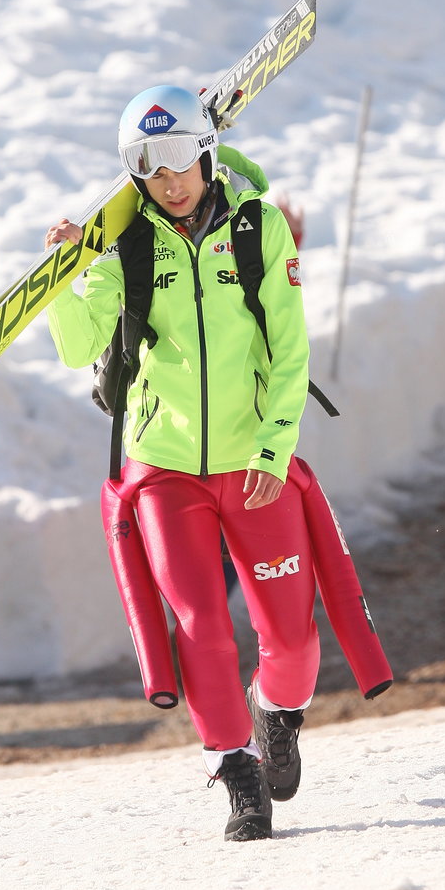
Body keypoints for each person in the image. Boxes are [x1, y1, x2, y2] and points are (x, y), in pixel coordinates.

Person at [44, 84, 318, 843]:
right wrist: (71, 272)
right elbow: (74, 346)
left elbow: (290, 352)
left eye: (178, 161)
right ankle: (238, 774)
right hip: (163, 464)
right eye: (147, 166)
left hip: (252, 458)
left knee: (291, 640)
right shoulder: (126, 244)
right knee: (200, 623)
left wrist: (274, 444)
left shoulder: (258, 228)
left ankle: (277, 713)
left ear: (204, 151)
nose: (169, 181)